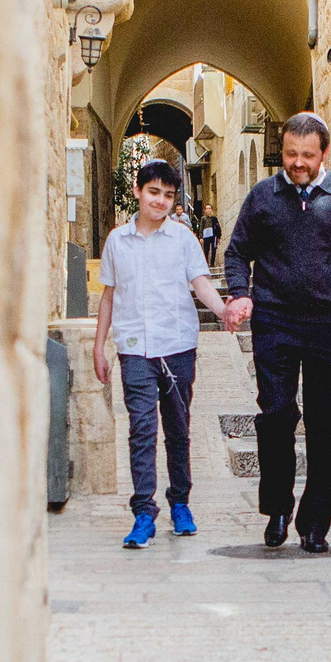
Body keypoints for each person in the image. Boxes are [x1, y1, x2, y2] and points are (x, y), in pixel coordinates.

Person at [220, 112, 331, 553]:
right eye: (291, 154)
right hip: (274, 321)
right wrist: (239, 293)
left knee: (325, 425)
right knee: (276, 414)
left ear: (324, 154)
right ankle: (278, 506)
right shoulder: (262, 196)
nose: (298, 163)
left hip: (327, 324)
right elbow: (237, 252)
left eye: (307, 156)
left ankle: (315, 523)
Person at [93, 159, 232, 548]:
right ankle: (143, 512)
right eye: (153, 192)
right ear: (138, 192)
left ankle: (181, 503)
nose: (160, 201)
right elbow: (108, 296)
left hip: (177, 346)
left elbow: (201, 283)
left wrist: (224, 312)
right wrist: (99, 346)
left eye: (168, 195)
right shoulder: (117, 242)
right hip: (134, 347)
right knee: (142, 428)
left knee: (177, 428)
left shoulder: (184, 240)